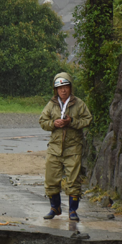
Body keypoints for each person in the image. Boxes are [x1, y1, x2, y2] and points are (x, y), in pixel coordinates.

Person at [39, 72, 92, 221]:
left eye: (66, 87)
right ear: (55, 89)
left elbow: (88, 120)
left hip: (73, 148)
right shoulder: (51, 104)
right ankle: (54, 208)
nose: (63, 90)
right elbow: (42, 121)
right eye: (60, 88)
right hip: (54, 148)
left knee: (73, 181)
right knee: (51, 179)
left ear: (70, 87)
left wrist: (72, 122)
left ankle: (72, 211)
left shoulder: (79, 104)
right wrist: (53, 124)